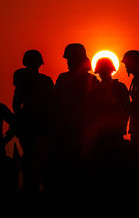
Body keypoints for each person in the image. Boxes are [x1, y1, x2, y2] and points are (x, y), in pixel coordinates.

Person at [51, 43, 100, 193]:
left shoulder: (87, 80)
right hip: (69, 131)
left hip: (80, 132)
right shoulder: (65, 79)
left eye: (70, 59)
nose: (67, 62)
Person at [85, 58, 130, 192]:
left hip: (112, 133)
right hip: (101, 134)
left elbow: (126, 109)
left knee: (112, 164)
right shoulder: (94, 89)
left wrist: (122, 125)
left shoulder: (118, 88)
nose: (103, 73)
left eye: (105, 70)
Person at [12, 50, 54, 193]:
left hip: (32, 125)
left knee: (31, 158)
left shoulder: (23, 78)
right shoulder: (45, 81)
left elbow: (16, 104)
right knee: (37, 159)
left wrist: (19, 119)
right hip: (39, 126)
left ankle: (31, 187)